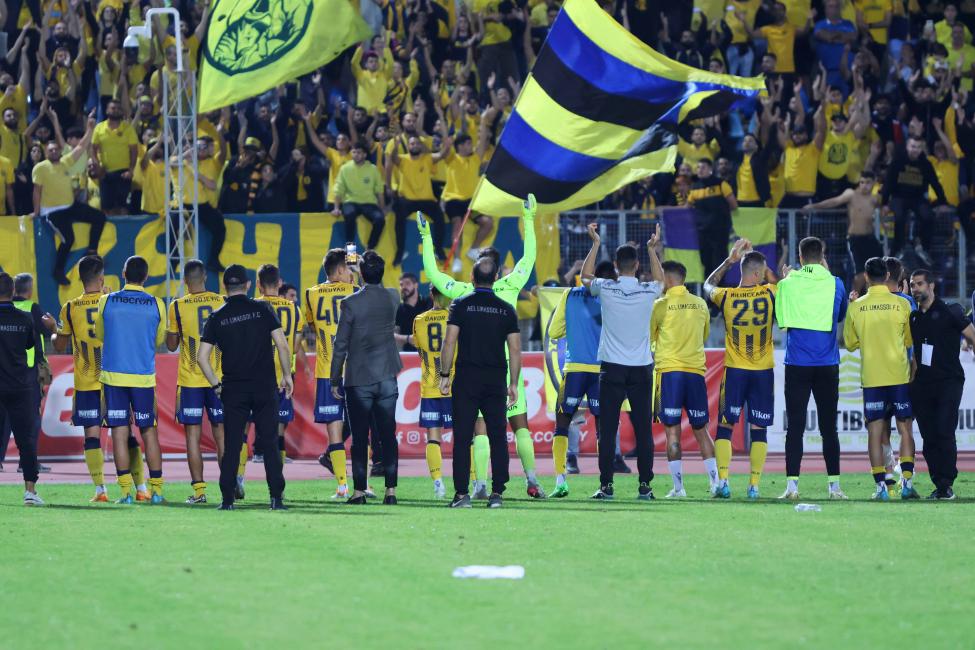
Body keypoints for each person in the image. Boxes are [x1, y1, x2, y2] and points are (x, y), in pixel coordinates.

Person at [418, 196, 546, 499]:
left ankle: (479, 486)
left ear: (473, 276)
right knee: (520, 427)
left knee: (479, 430)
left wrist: (426, 236)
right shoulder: (511, 287)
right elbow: (528, 258)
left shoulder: (463, 294)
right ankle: (532, 480)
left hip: (472, 370)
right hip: (506, 370)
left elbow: (434, 276)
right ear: (498, 273)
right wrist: (529, 218)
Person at [198, 265, 293, 511]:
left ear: (224, 287)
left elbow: (201, 357)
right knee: (270, 442)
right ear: (249, 285)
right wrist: (286, 375)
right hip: (264, 386)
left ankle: (227, 500)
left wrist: (216, 385)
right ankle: (276, 498)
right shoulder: (263, 309)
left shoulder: (217, 316)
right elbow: (282, 345)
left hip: (233, 389)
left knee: (232, 445)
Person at [581, 223, 664, 500]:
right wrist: (652, 249)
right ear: (637, 265)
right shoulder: (648, 290)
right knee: (643, 430)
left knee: (607, 430)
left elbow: (584, 277)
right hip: (641, 369)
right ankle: (645, 486)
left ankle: (606, 486)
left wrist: (595, 243)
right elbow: (662, 281)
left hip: (612, 368)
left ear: (616, 266)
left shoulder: (606, 287)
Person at [439, 257, 522, 509]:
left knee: (463, 437)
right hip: (495, 380)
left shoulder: (460, 304)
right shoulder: (506, 308)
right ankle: (497, 493)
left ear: (472, 278)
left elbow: (449, 341)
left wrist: (444, 375)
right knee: (498, 436)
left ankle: (461, 494)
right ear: (496, 278)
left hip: (466, 379)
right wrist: (514, 383)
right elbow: (515, 349)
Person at [775, 237, 848, 500]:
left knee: (795, 427)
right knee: (829, 428)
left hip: (797, 364)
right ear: (823, 255)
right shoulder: (835, 283)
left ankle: (792, 487)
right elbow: (840, 316)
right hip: (827, 365)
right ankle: (834, 487)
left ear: (800, 256)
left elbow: (781, 320)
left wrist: (787, 280)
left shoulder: (787, 284)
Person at [704, 241, 777, 500]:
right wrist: (771, 272)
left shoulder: (726, 296)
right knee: (759, 429)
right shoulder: (771, 292)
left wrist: (729, 261)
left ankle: (723, 482)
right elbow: (781, 283)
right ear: (757, 274)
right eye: (763, 271)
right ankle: (754, 485)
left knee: (725, 427)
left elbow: (707, 285)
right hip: (762, 372)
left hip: (735, 371)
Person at [330, 251, 402, 505]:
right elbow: (376, 291)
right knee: (388, 435)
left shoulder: (350, 303)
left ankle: (359, 492)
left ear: (360, 273)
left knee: (360, 438)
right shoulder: (393, 296)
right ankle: (390, 492)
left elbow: (340, 344)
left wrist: (334, 378)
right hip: (387, 375)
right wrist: (363, 270)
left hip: (359, 377)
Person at [95, 256, 167, 504]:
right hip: (143, 377)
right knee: (149, 432)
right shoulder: (157, 304)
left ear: (123, 274)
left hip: (114, 377)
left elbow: (100, 334)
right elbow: (158, 340)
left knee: (119, 433)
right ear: (146, 277)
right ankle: (157, 492)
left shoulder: (106, 301)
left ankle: (125, 493)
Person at [844, 257, 918, 500]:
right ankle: (906, 483)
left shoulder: (856, 306)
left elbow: (850, 343)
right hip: (899, 375)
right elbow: (909, 340)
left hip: (873, 378)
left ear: (866, 277)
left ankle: (881, 488)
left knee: (875, 432)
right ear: (887, 276)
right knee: (905, 429)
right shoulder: (902, 304)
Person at [546, 260, 616, 498]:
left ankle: (560, 482)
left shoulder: (569, 294)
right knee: (603, 429)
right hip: (601, 371)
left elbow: (554, 332)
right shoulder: (611, 298)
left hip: (574, 368)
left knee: (562, 424)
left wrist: (576, 329)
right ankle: (605, 484)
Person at [650, 260, 717, 498]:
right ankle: (716, 484)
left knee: (672, 432)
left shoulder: (660, 305)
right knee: (702, 430)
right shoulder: (700, 304)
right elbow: (704, 334)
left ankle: (679, 489)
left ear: (668, 279)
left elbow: (650, 337)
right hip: (695, 373)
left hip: (669, 373)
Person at [165, 260, 226, 505]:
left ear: (185, 281)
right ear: (205, 278)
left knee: (192, 436)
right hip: (218, 378)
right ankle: (229, 488)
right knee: (222, 435)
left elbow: (171, 345)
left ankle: (199, 492)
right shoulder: (222, 301)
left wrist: (174, 330)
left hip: (190, 379)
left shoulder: (177, 306)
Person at [910, 269, 975, 499]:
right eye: (912, 285)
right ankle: (939, 484)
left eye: (919, 284)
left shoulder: (951, 310)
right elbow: (915, 356)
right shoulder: (914, 318)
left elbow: (973, 337)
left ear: (931, 286)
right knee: (929, 437)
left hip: (949, 381)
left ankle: (946, 483)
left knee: (944, 431)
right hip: (922, 384)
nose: (915, 289)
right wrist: (911, 384)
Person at [52, 255, 108, 502]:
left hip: (86, 381)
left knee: (92, 436)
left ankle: (100, 490)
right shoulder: (111, 301)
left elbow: (59, 345)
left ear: (80, 278)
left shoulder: (70, 308)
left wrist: (53, 330)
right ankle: (137, 488)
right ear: (101, 277)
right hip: (113, 380)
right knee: (124, 433)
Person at [304, 249, 357, 499]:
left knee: (334, 431)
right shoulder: (355, 291)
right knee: (360, 428)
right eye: (348, 268)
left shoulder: (311, 293)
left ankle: (342, 485)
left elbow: (312, 327)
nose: (350, 273)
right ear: (341, 270)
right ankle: (364, 484)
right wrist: (355, 263)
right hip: (355, 370)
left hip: (327, 371)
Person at [32, 115, 103, 286]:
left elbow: (80, 146)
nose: (54, 152)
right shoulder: (40, 168)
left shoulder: (65, 162)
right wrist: (36, 212)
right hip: (53, 211)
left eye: (56, 149)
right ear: (46, 152)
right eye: (50, 150)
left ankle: (92, 251)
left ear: (60, 151)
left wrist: (90, 128)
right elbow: (37, 191)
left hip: (70, 206)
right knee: (68, 239)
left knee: (100, 217)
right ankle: (58, 271)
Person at [254, 264, 308, 468]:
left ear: (258, 284)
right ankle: (277, 473)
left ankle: (240, 475)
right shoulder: (294, 309)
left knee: (247, 423)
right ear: (279, 283)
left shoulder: (252, 306)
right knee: (279, 422)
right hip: (283, 374)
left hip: (255, 374)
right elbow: (294, 347)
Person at [0, 273, 42, 505]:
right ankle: (30, 492)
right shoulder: (25, 318)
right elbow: (29, 344)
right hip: (19, 386)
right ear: (12, 291)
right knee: (26, 441)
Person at [801, 171, 882, 293]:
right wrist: (813, 206)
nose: (864, 186)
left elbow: (882, 211)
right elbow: (833, 202)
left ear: (874, 182)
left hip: (870, 238)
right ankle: (852, 300)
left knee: (876, 271)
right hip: (855, 239)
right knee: (859, 274)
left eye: (868, 183)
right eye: (862, 182)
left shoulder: (874, 199)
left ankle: (872, 297)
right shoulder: (851, 194)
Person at [409, 286, 454, 498]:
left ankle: (438, 483)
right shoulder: (455, 319)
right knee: (466, 437)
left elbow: (419, 349)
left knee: (433, 438)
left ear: (430, 295)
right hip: (453, 385)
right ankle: (474, 481)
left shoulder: (419, 320)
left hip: (430, 385)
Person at [11, 273, 56, 475]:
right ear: (29, 290)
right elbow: (47, 333)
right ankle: (27, 462)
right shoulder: (32, 308)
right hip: (29, 371)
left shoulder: (6, 308)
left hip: (7, 370)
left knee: (6, 417)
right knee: (31, 417)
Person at [881, 135, 948, 263]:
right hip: (898, 196)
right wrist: (884, 203)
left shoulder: (926, 164)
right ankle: (897, 248)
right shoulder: (897, 161)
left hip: (917, 198)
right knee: (899, 217)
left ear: (922, 148)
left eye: (918, 147)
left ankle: (922, 245)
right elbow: (888, 182)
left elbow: (935, 183)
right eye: (912, 146)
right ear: (907, 146)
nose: (915, 150)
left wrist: (943, 202)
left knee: (928, 216)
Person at [687, 158, 737, 278]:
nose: (700, 170)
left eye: (703, 167)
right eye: (698, 167)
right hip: (703, 232)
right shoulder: (694, 187)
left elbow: (733, 205)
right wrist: (664, 207)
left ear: (710, 169)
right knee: (706, 261)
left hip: (720, 231)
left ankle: (719, 287)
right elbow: (687, 207)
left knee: (719, 261)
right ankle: (708, 288)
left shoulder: (721, 184)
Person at [333, 141, 387, 250]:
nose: (356, 155)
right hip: (350, 202)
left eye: (359, 152)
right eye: (354, 152)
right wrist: (336, 208)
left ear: (364, 155)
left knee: (380, 219)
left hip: (369, 203)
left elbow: (379, 191)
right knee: (350, 215)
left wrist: (382, 209)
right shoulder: (345, 168)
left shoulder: (373, 169)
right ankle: (350, 251)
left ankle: (370, 248)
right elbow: (338, 189)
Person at [91, 99, 138, 216]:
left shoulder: (128, 128)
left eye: (118, 108)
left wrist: (131, 170)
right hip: (105, 173)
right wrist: (97, 167)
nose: (116, 110)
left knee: (122, 207)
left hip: (123, 173)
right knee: (107, 208)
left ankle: (124, 228)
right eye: (113, 108)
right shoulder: (99, 128)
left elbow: (134, 151)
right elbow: (93, 149)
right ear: (107, 110)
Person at [394, 272, 432, 353]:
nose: (403, 287)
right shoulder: (399, 309)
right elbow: (393, 335)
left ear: (416, 285)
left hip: (430, 353)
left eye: (407, 283)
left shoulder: (428, 304)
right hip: (409, 355)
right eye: (401, 285)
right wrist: (408, 338)